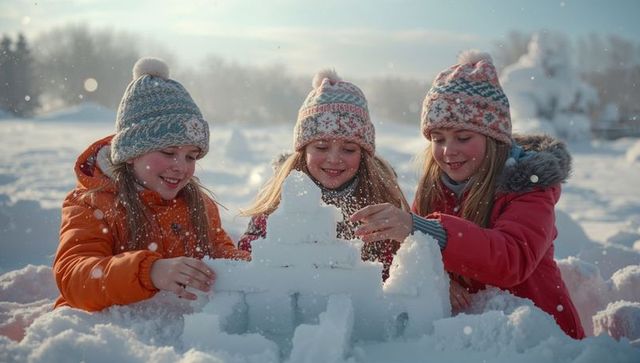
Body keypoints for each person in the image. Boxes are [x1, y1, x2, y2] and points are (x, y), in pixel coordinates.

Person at [350, 50, 585, 339]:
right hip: (473, 338)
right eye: (438, 139)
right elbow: (411, 254)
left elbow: (511, 259)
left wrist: (421, 229)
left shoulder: (529, 189)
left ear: (494, 140)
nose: (449, 150)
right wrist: (434, 275)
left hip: (541, 338)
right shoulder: (437, 187)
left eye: (463, 137)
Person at [53, 57, 249, 312]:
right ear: (131, 153)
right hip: (104, 337)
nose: (181, 165)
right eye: (169, 152)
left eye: (191, 156)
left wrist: (259, 267)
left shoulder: (199, 205)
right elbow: (74, 278)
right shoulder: (92, 203)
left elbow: (221, 256)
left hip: (172, 335)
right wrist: (150, 271)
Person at [238, 69, 409, 280]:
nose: (334, 159)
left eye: (348, 149)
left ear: (363, 155)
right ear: (303, 150)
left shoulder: (378, 199)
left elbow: (396, 269)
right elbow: (250, 253)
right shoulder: (281, 200)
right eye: (321, 147)